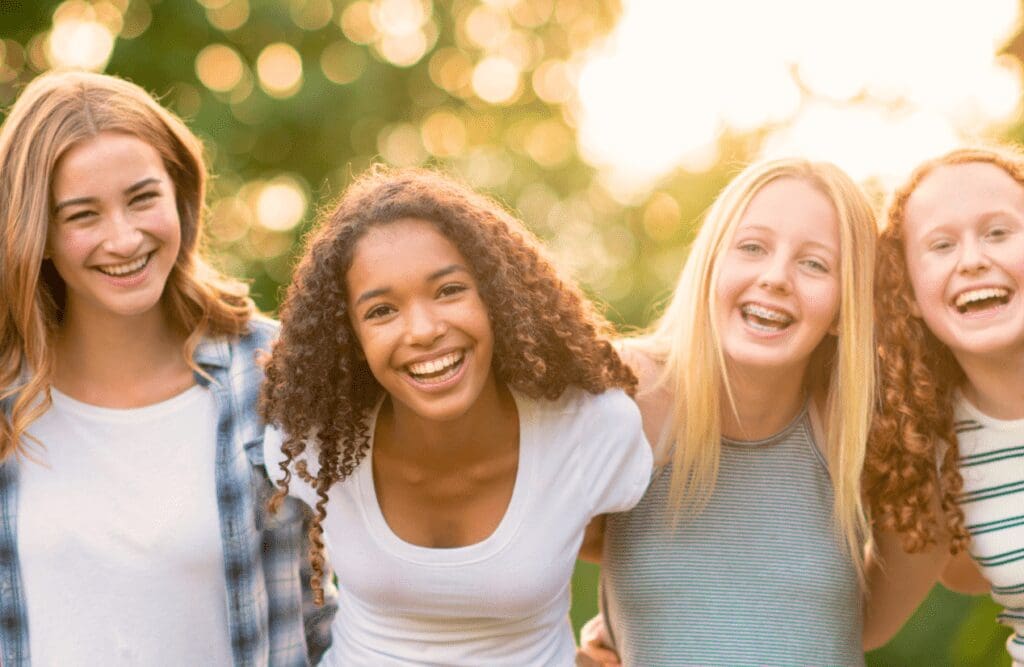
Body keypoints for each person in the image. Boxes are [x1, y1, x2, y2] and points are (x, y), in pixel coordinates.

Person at [0, 70, 335, 666]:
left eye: (142, 198)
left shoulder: (272, 376)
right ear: (39, 233)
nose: (124, 239)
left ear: (179, 194)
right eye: (82, 216)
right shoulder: (7, 398)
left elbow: (346, 603)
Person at [260, 167, 653, 665]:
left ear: (496, 297)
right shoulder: (313, 445)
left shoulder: (590, 429)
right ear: (350, 339)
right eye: (381, 311)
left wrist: (618, 638)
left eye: (449, 290)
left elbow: (640, 562)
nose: (423, 330)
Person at [577, 158, 878, 665]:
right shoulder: (626, 394)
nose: (776, 277)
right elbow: (527, 555)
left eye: (815, 264)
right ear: (711, 265)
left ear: (844, 310)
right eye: (752, 247)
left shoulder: (860, 421)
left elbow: (859, 618)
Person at [865, 145, 1024, 665]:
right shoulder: (928, 454)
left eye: (999, 232)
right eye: (941, 245)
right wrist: (631, 620)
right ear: (907, 290)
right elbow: (858, 623)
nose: (974, 259)